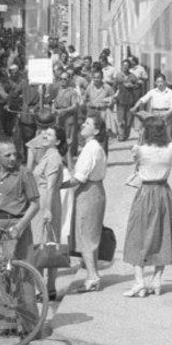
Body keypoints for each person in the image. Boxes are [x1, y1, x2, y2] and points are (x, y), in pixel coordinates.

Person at [0, 138, 41, 333]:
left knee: (22, 276)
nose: (13, 158)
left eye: (15, 154)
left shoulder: (24, 174)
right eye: (7, 155)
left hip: (18, 226)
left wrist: (21, 226)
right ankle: (7, 322)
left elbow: (35, 204)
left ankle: (30, 326)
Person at [123, 117, 172, 296]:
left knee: (137, 234)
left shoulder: (140, 150)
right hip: (164, 191)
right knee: (163, 234)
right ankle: (157, 279)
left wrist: (141, 138)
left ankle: (139, 281)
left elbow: (136, 157)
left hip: (146, 192)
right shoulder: (171, 149)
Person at [65, 110, 109, 292]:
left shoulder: (91, 148)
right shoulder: (93, 147)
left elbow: (78, 178)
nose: (83, 125)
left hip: (89, 191)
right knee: (90, 235)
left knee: (86, 236)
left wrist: (56, 186)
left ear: (96, 131)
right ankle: (93, 274)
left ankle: (92, 277)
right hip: (94, 190)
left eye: (88, 124)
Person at [26, 117, 67, 302]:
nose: (45, 135)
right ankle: (46, 288)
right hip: (44, 199)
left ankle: (46, 288)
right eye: (45, 132)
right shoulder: (48, 154)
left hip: (45, 202)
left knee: (44, 245)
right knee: (45, 244)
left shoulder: (53, 157)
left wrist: (48, 210)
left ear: (57, 141)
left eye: (49, 134)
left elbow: (50, 186)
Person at [133, 71, 172, 143]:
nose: (159, 84)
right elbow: (142, 100)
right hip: (154, 114)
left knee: (167, 137)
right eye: (158, 82)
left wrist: (165, 114)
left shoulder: (170, 92)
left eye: (161, 81)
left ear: (165, 82)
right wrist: (134, 107)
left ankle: (171, 151)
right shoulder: (152, 92)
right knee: (147, 133)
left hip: (166, 114)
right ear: (155, 83)